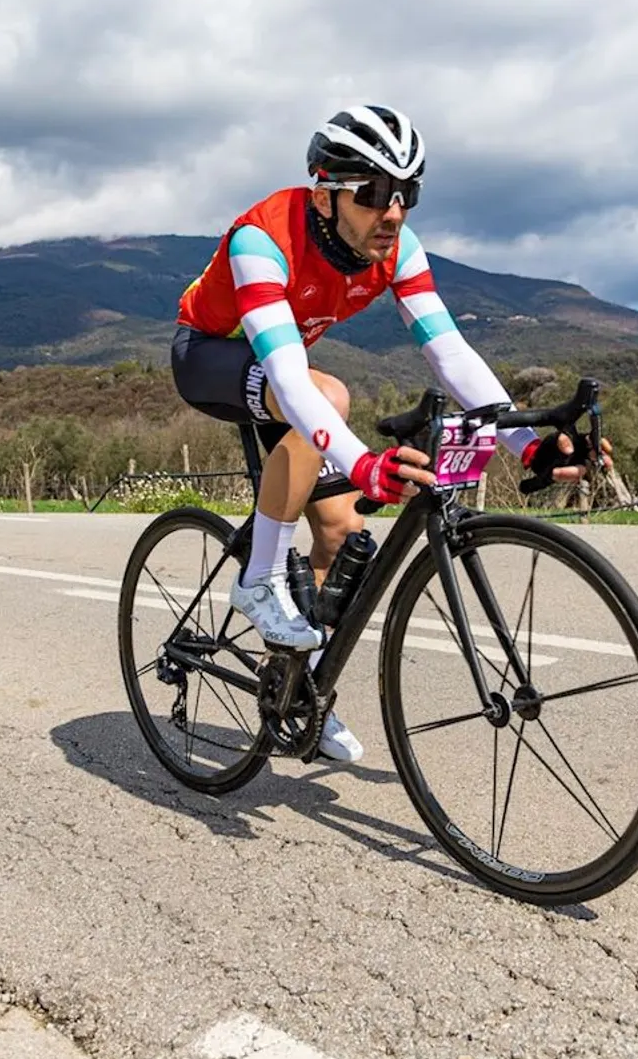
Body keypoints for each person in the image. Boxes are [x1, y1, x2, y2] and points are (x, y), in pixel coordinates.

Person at [173, 104, 607, 763]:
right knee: (329, 393)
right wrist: (368, 465)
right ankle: (257, 578)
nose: (394, 211)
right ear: (324, 193)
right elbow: (290, 381)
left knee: (345, 533)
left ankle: (297, 691)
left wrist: (530, 445)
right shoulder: (262, 239)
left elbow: (450, 353)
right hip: (211, 357)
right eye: (373, 193)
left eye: (407, 193)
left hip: (284, 379)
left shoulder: (397, 249)